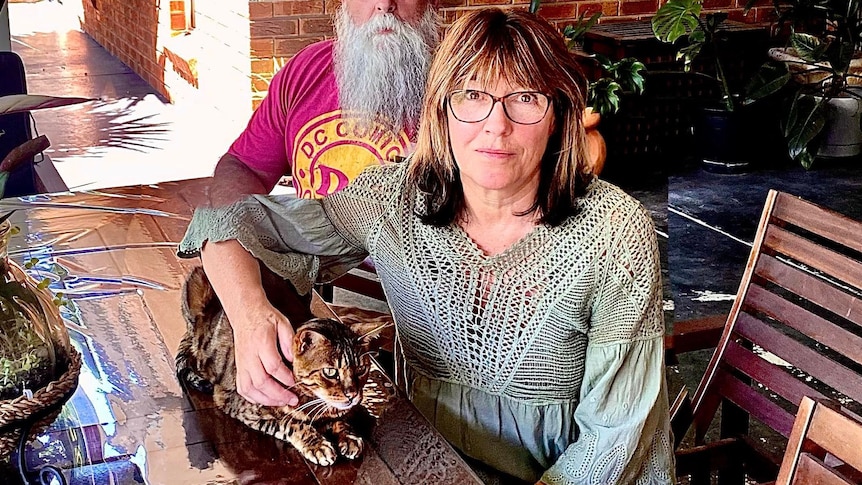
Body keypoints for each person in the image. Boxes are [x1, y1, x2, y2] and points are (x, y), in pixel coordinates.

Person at [179, 8, 675, 484]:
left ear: (559, 114)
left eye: (526, 97)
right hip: (425, 463)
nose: (496, 125)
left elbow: (615, 440)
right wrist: (247, 318)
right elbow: (226, 223)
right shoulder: (392, 200)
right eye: (472, 94)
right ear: (441, 110)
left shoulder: (613, 232)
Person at [207, 0, 439, 205]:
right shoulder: (306, 70)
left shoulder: (460, 86)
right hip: (310, 251)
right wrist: (234, 226)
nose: (385, 4)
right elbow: (244, 166)